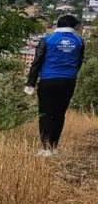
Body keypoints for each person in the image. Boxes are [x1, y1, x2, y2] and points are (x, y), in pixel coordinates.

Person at [26, 14, 85, 156]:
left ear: (57, 24)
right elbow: (79, 62)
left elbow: (37, 61)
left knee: (45, 113)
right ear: (73, 26)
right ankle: (53, 147)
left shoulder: (47, 39)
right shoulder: (79, 41)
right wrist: (71, 75)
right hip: (68, 81)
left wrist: (30, 83)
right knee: (59, 114)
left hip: (48, 80)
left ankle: (44, 148)